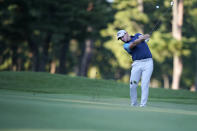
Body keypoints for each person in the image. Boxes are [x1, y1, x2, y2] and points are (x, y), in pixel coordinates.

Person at [117, 30, 153, 107]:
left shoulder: (137, 35)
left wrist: (145, 37)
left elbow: (144, 36)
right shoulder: (125, 45)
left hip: (148, 62)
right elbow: (133, 44)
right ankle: (134, 103)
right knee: (133, 85)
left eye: (122, 37)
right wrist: (142, 38)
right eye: (120, 38)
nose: (122, 39)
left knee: (144, 84)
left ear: (126, 33)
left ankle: (143, 104)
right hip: (137, 64)